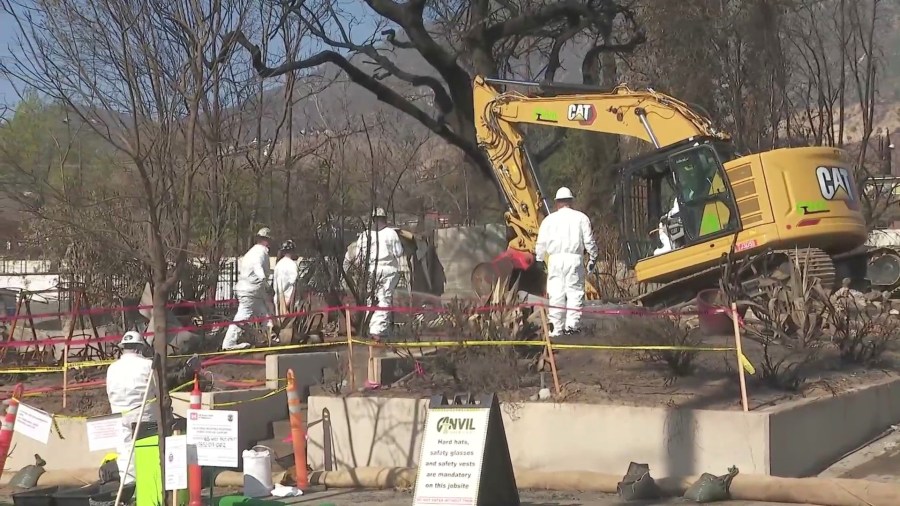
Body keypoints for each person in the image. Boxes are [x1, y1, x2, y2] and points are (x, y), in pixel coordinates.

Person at [106, 331, 199, 488]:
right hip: (145, 415)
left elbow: (110, 392)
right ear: (140, 348)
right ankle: (152, 486)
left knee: (125, 453)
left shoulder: (112, 368)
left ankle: (129, 487)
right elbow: (159, 389)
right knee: (150, 451)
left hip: (120, 416)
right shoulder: (147, 366)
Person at [534, 187, 598, 337]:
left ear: (557, 203)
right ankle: (571, 327)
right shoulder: (581, 218)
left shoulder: (549, 220)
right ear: (571, 201)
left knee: (556, 294)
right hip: (574, 259)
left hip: (555, 260)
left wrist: (539, 259)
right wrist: (593, 256)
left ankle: (556, 330)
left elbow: (541, 243)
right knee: (574, 293)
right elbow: (589, 241)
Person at [343, 207, 404, 339]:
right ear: (384, 219)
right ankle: (378, 331)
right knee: (384, 299)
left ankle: (372, 328)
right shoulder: (391, 233)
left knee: (371, 299)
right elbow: (399, 252)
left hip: (369, 270)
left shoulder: (364, 235)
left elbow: (358, 257)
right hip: (387, 269)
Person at [222, 228, 276, 350]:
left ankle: (271, 337)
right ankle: (228, 344)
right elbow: (257, 266)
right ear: (267, 240)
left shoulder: (252, 252)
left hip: (252, 291)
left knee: (264, 313)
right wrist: (265, 282)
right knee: (243, 316)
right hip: (251, 291)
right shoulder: (260, 252)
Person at [273, 240, 300, 337]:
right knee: (289, 324)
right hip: (288, 297)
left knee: (280, 322)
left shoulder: (278, 264)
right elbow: (294, 283)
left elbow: (275, 284)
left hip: (278, 297)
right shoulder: (292, 264)